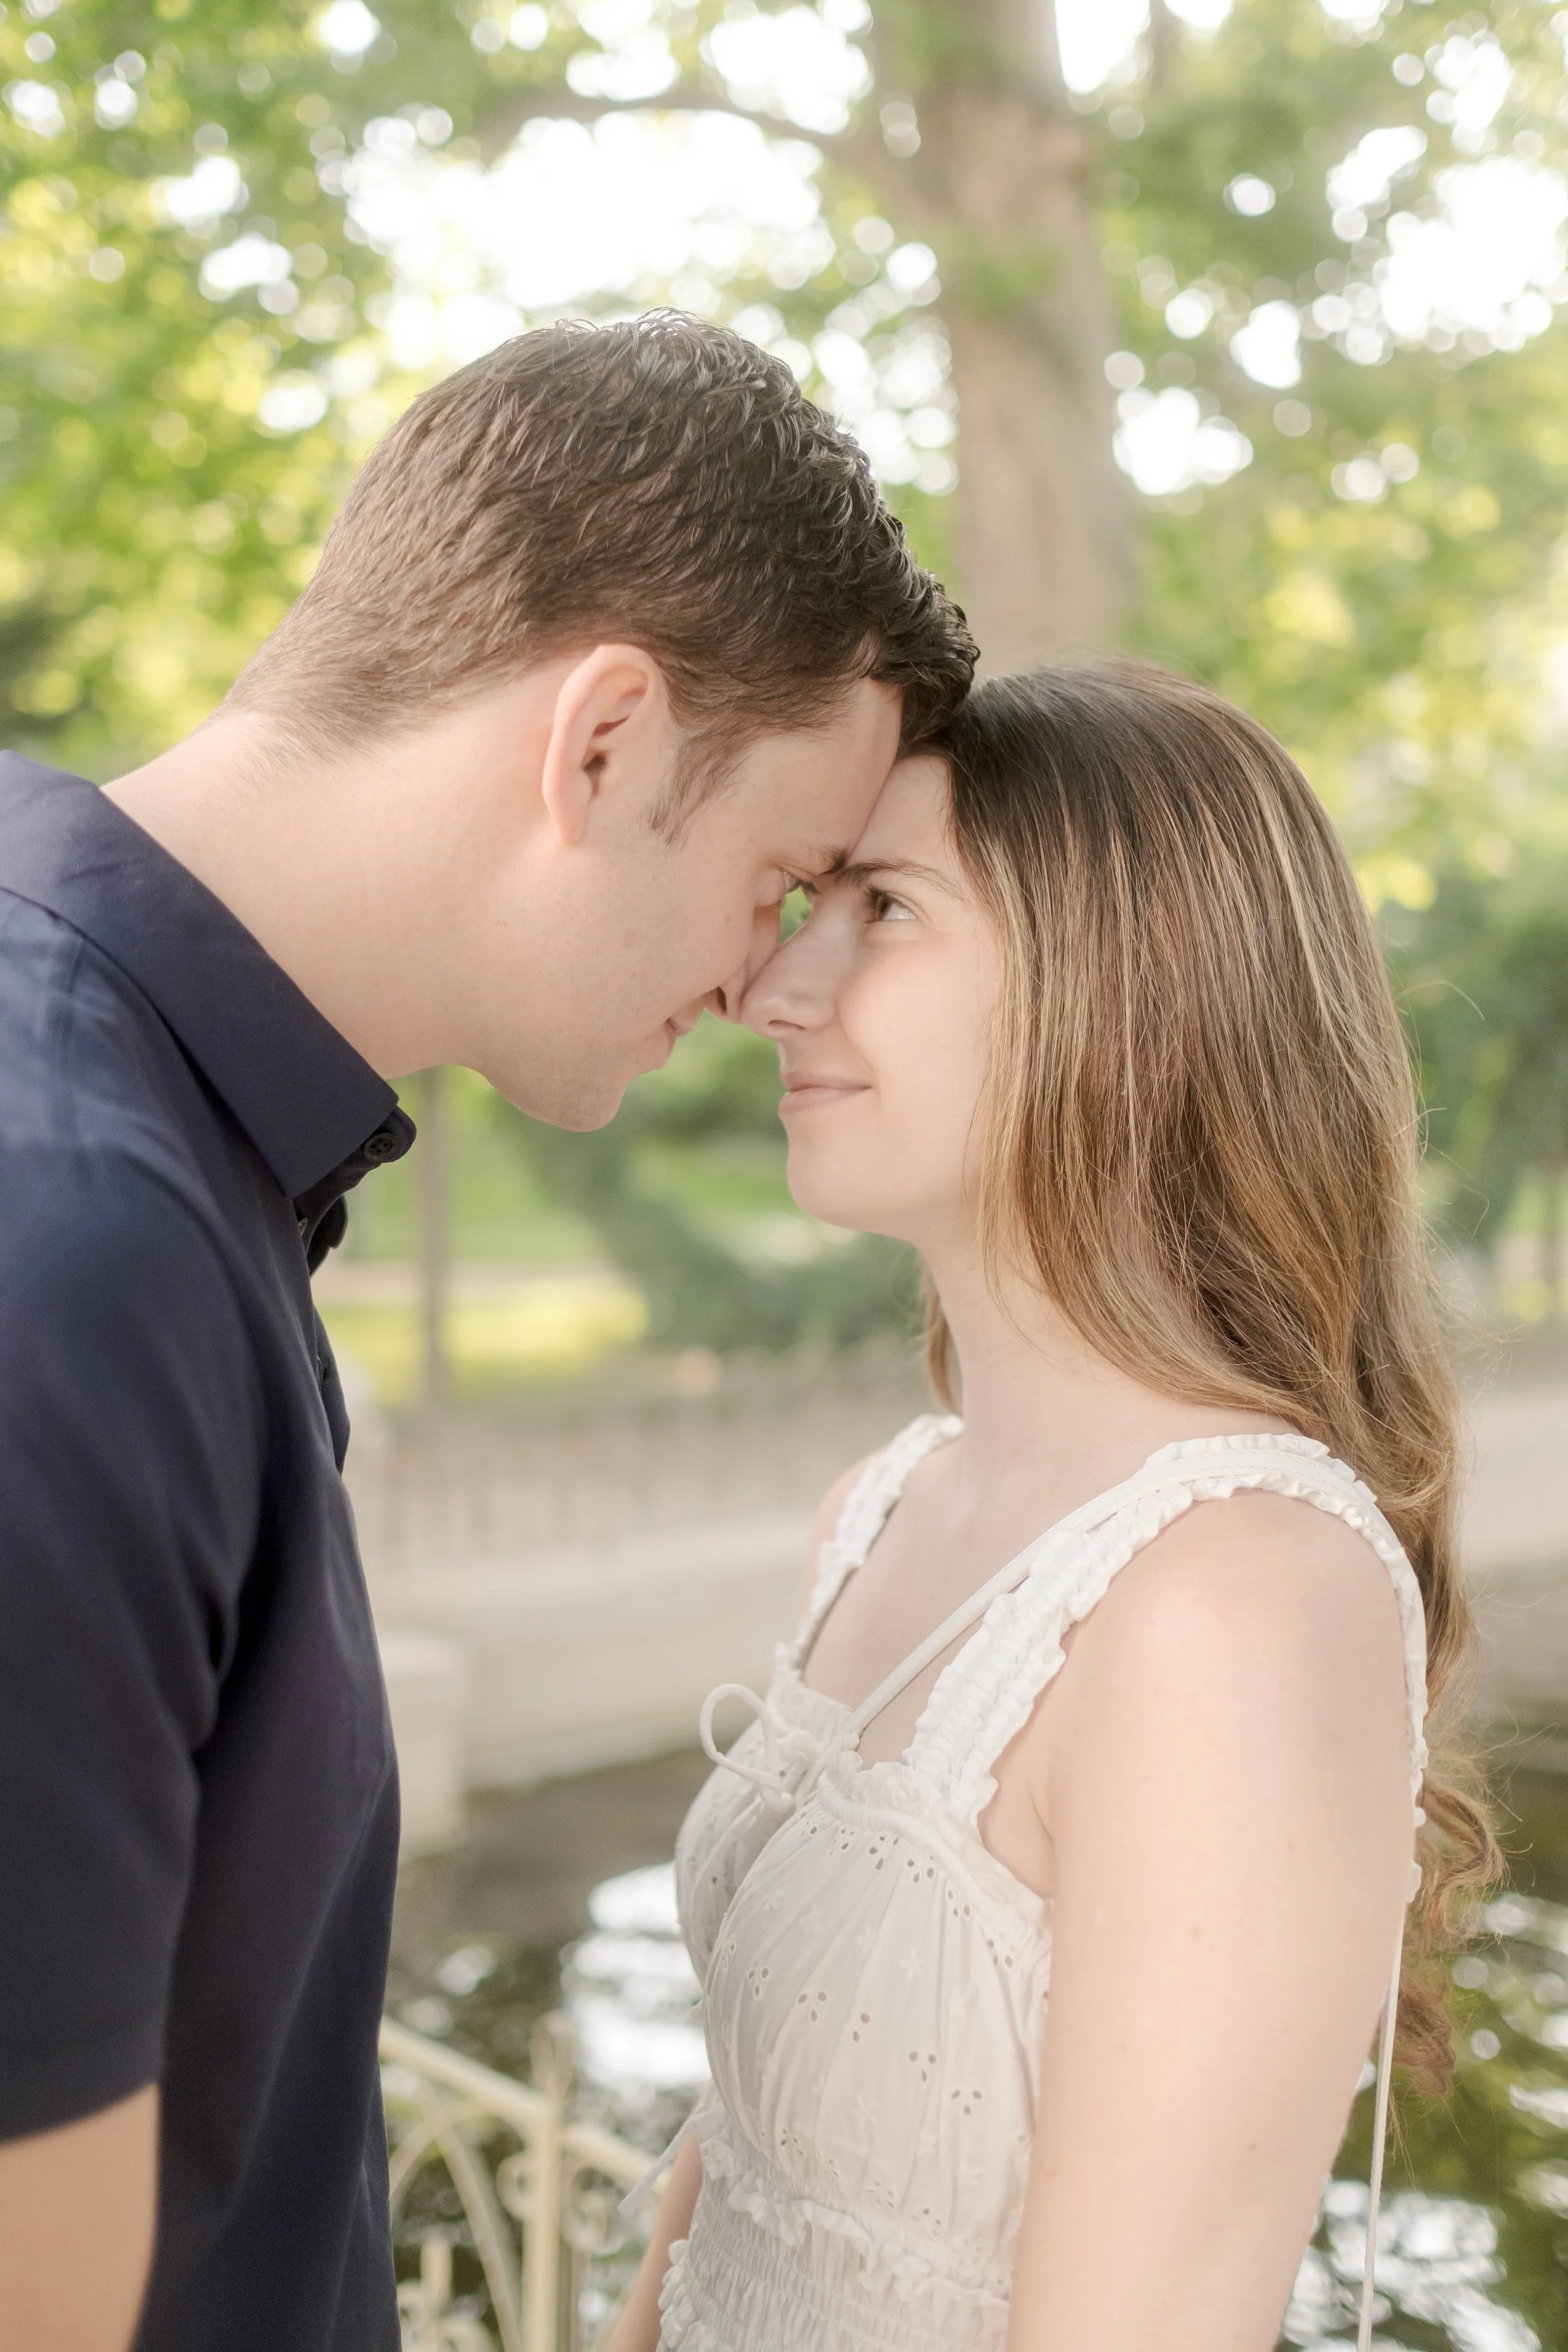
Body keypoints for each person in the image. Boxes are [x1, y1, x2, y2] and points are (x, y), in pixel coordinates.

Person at [0, 313, 975, 2352]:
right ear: (599, 737)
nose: (763, 977)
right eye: (783, 873)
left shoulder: (132, 1125)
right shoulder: (81, 1255)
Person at [612, 660, 1496, 2352]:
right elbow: (728, 2156)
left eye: (882, 908)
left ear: (1121, 986)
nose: (774, 984)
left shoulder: (1233, 1599)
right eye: (808, 902)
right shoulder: (884, 1507)